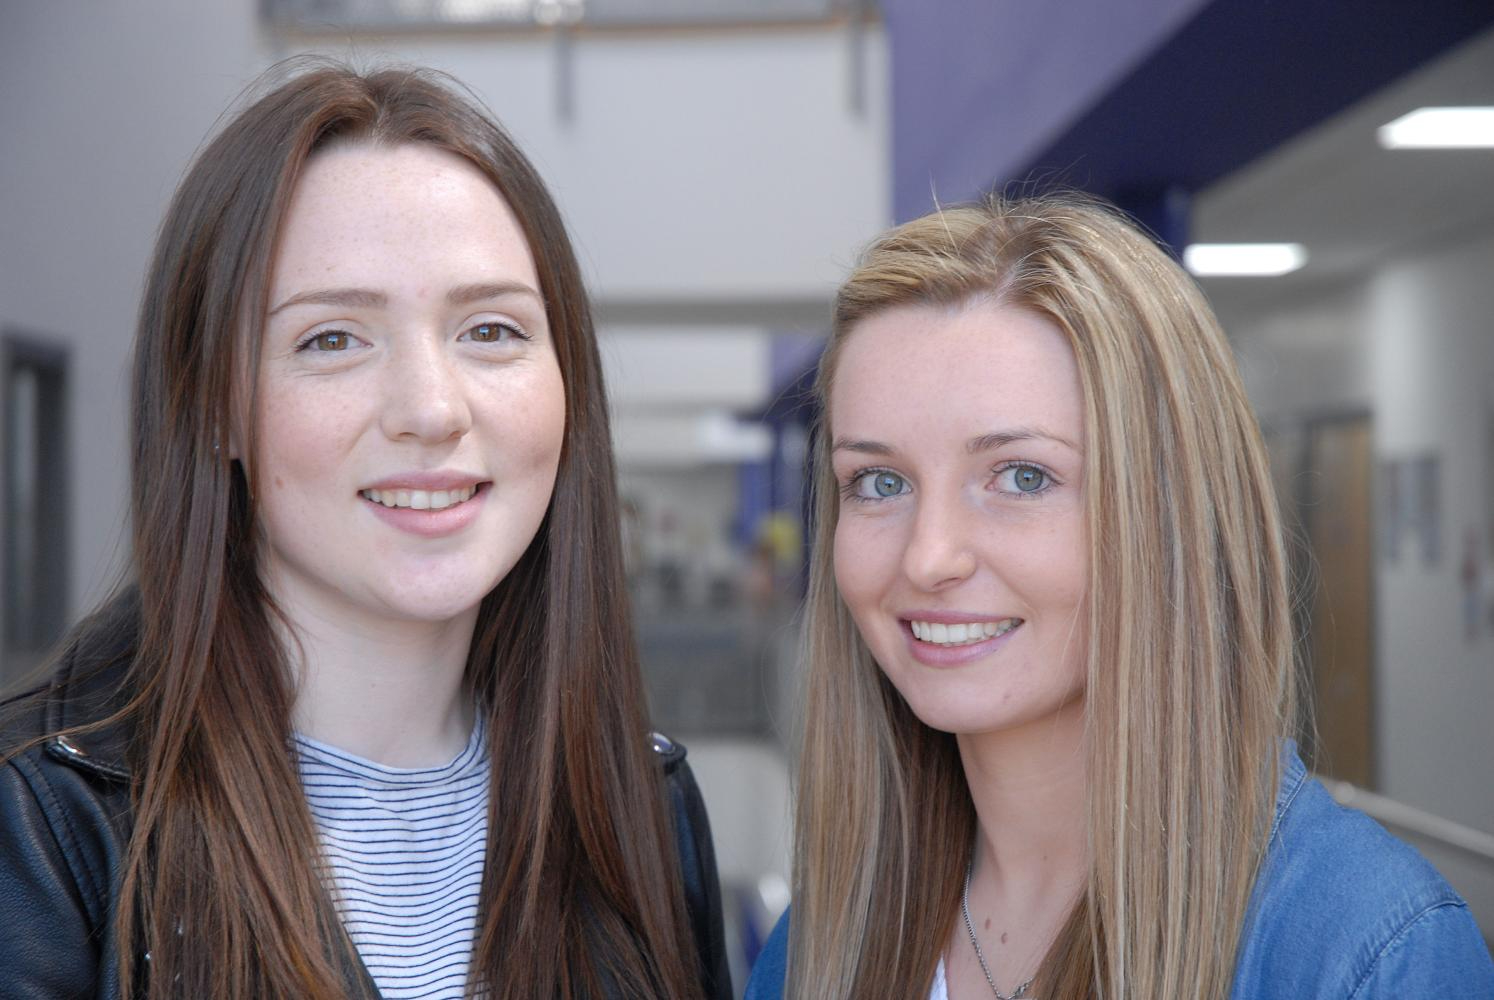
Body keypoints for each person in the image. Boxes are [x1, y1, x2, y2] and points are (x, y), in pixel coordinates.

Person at [0, 64, 730, 1000]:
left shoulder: (643, 809)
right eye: (332, 339)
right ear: (212, 406)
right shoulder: (43, 824)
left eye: (492, 330)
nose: (430, 409)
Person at [745, 195, 1494, 999]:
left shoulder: (1366, 951)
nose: (928, 557)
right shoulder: (821, 945)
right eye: (879, 481)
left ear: (1170, 514)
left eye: (1023, 476)